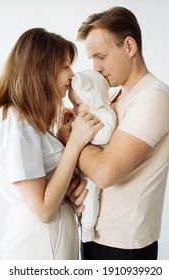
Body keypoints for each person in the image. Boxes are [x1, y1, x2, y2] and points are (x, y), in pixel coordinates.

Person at [63, 6, 169, 260]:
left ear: (129, 47)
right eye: (92, 59)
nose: (95, 67)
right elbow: (93, 164)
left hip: (124, 247)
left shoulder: (155, 97)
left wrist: (69, 137)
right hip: (92, 235)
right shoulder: (113, 97)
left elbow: (105, 172)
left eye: (101, 57)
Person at [0, 28, 103, 260]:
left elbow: (43, 184)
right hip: (40, 245)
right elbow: (43, 209)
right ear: (42, 68)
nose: (71, 74)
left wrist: (60, 138)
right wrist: (74, 144)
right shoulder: (16, 123)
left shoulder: (24, 122)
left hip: (48, 242)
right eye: (65, 65)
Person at [62, 69, 117, 243]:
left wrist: (80, 129)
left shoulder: (104, 113)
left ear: (92, 98)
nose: (75, 109)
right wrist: (70, 122)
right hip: (78, 165)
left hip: (92, 170)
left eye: (78, 104)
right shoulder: (84, 116)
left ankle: (88, 225)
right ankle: (79, 221)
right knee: (75, 193)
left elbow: (105, 135)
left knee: (90, 192)